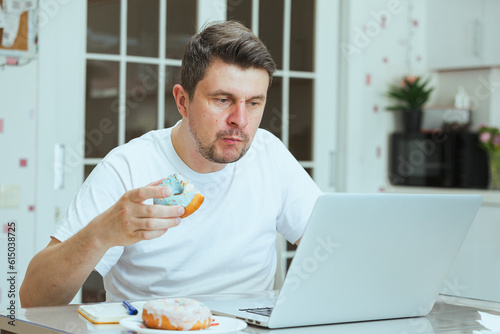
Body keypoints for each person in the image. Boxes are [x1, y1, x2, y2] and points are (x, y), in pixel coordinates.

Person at [20, 21, 321, 307]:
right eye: (222, 100)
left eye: (254, 103)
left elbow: (333, 247)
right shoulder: (127, 167)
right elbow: (33, 298)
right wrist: (100, 234)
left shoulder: (270, 154)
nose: (240, 121)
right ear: (182, 101)